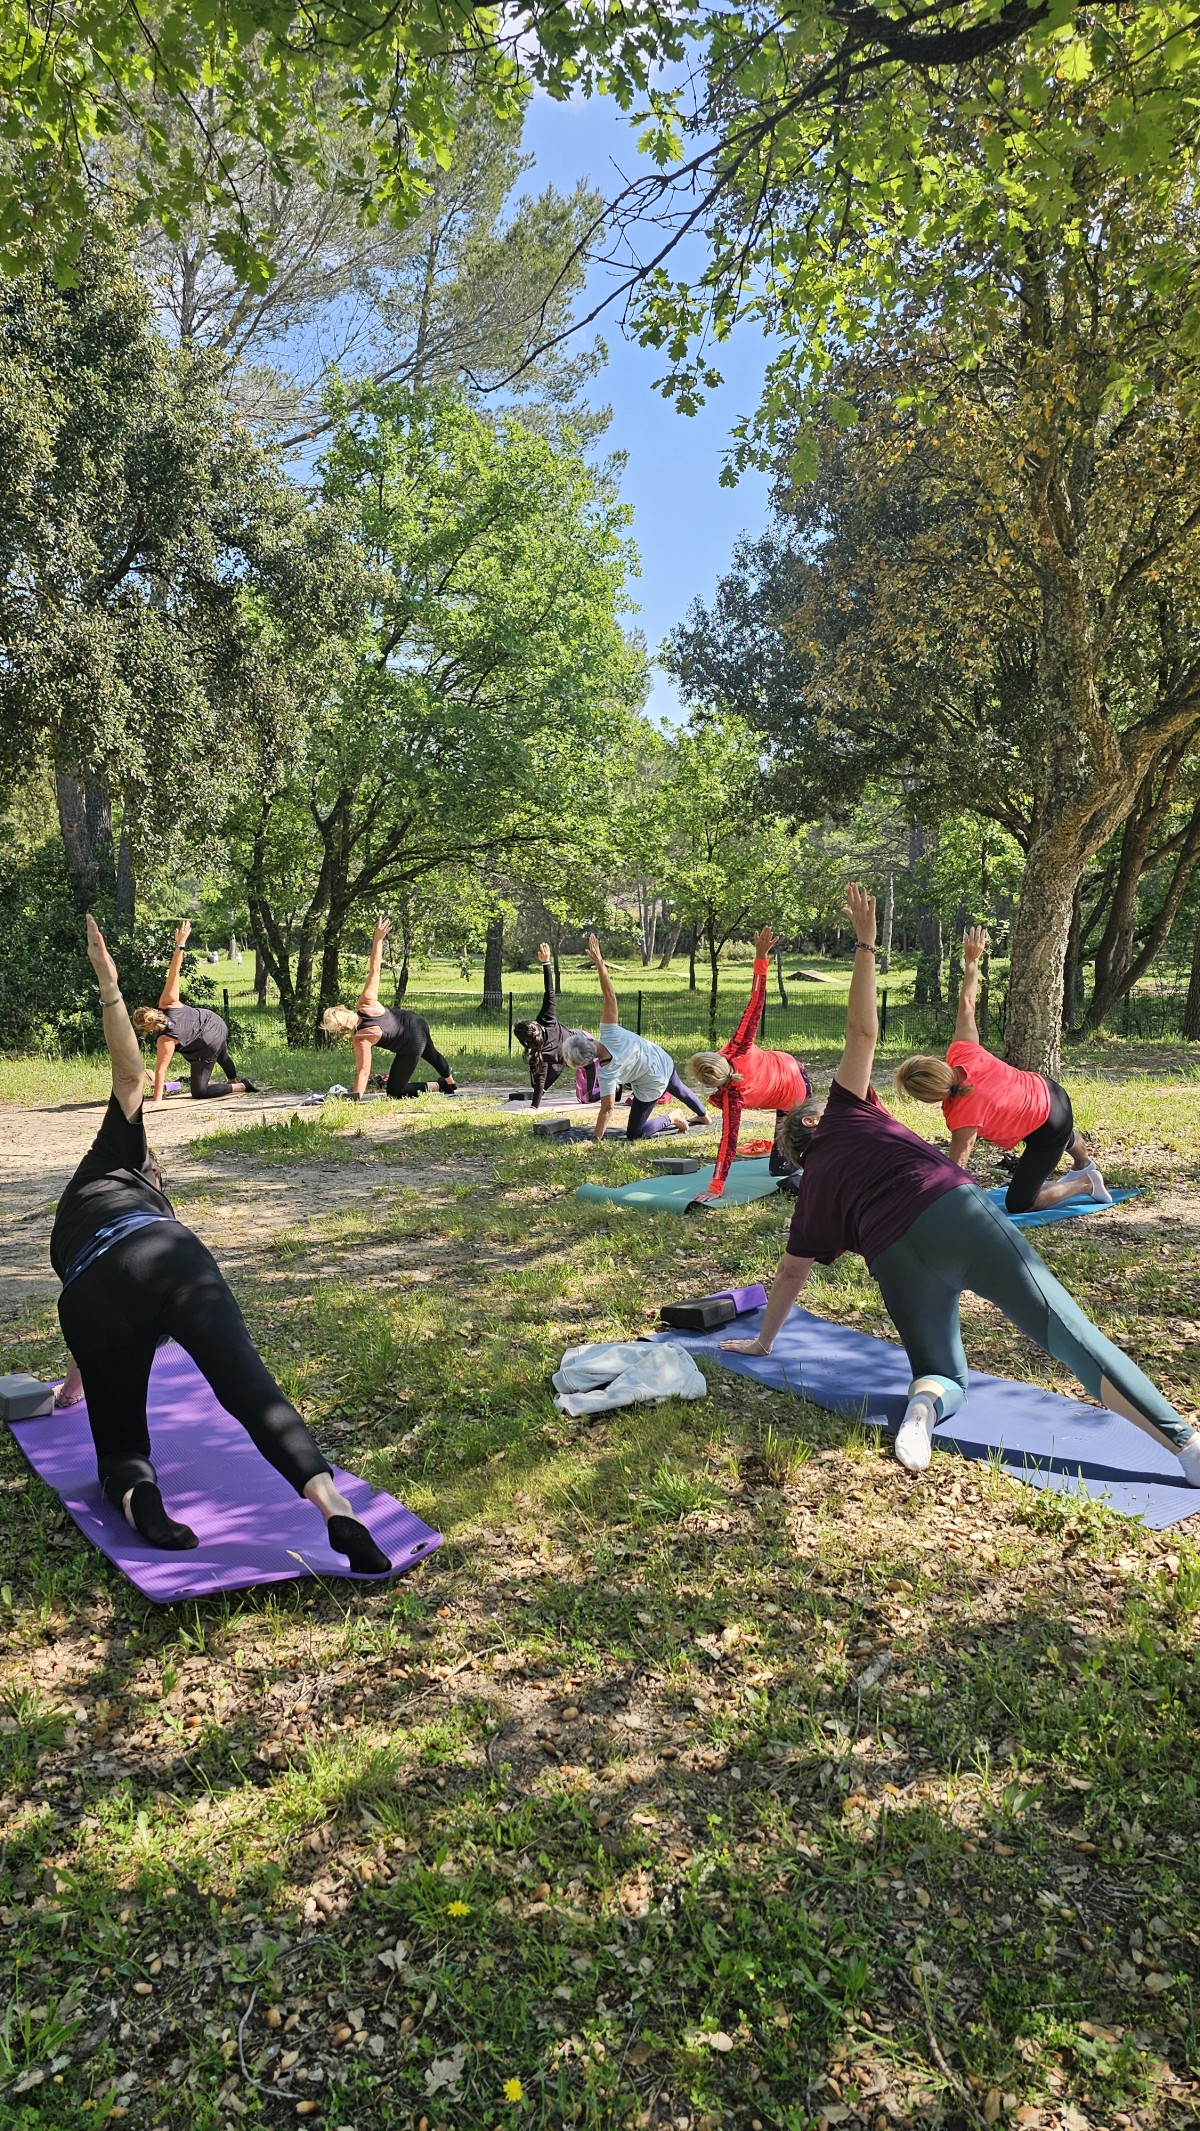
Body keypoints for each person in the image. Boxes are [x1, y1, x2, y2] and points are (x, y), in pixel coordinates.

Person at [721, 885, 1200, 1485]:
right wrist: (866, 943)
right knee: (1067, 1333)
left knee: (942, 1373)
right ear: (814, 1120)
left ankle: (921, 1410)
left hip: (895, 1260)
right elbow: (861, 1033)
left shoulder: (812, 1191)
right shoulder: (844, 1111)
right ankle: (1183, 1445)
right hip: (953, 1215)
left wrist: (765, 1344)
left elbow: (791, 1274)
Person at [51, 917, 391, 1571]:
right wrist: (110, 987)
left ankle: (140, 1498)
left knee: (120, 1449)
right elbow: (130, 1072)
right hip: (169, 1255)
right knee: (249, 1387)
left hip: (90, 1291)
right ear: (154, 1174)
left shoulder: (87, 1188)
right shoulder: (126, 1161)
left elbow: (80, 1356)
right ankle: (334, 1509)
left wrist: (71, 1394)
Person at [894, 927, 1107, 1213]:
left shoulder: (962, 1117)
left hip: (1047, 1126)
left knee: (1019, 1202)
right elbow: (968, 1005)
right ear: (936, 1063)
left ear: (929, 1097)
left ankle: (1086, 1183)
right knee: (1054, 1131)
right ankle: (1082, 1160)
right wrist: (971, 962)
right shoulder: (963, 1052)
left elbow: (957, 1169)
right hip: (1050, 1091)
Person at [683, 925, 811, 1206]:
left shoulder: (736, 1069)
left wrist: (761, 957)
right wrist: (760, 957)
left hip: (796, 1090)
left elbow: (728, 1144)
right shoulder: (733, 1082)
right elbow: (755, 1000)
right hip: (782, 1084)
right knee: (778, 1170)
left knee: (807, 1157)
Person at [564, 935, 707, 1142]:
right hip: (661, 1058)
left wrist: (594, 1140)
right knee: (679, 1088)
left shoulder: (606, 1074)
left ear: (587, 1062)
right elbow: (609, 995)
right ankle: (704, 1116)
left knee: (635, 1134)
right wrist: (600, 963)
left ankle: (674, 1117)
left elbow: (607, 1109)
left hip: (653, 1080)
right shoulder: (609, 1031)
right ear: (589, 1039)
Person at [321, 917, 457, 1101]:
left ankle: (440, 1086)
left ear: (341, 1029)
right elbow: (375, 969)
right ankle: (451, 1083)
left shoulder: (361, 1038)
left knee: (395, 1092)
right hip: (416, 1021)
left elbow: (363, 1072)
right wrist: (378, 938)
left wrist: (354, 1099)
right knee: (431, 1054)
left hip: (410, 1043)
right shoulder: (366, 1003)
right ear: (344, 1010)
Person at [132, 921, 255, 1103]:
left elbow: (160, 1071)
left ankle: (240, 1086)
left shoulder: (165, 1039)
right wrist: (180, 945)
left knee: (200, 1091)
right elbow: (174, 971)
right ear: (151, 1010)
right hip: (216, 1023)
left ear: (147, 1028)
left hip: (207, 1042)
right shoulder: (168, 1002)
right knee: (221, 1054)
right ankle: (233, 1078)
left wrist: (156, 1101)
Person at [514, 944, 600, 1108]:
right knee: (588, 1092)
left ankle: (610, 1087)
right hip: (583, 1038)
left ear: (526, 1042)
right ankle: (610, 1085)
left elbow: (540, 1081)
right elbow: (550, 991)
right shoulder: (546, 1019)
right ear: (534, 1024)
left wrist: (534, 1106)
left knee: (589, 1097)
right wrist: (545, 963)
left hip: (583, 1049)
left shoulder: (542, 1054)